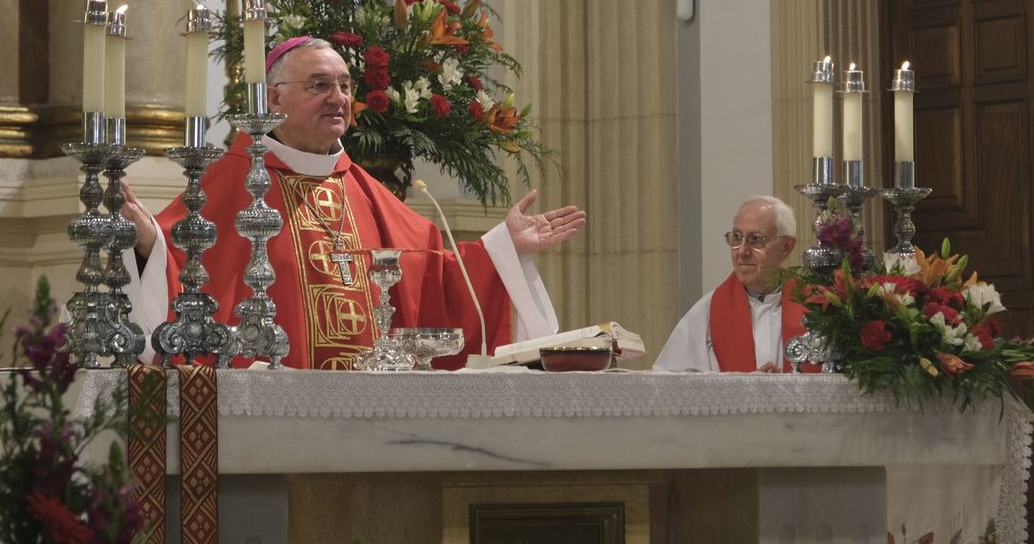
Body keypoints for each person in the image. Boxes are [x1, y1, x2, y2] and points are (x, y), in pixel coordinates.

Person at [121, 37, 587, 370]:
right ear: (274, 98)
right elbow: (181, 260)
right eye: (320, 85)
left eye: (345, 86)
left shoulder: (366, 191)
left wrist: (502, 248)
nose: (339, 98)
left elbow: (434, 276)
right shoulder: (232, 182)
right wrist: (149, 245)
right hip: (268, 413)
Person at [654, 195, 809, 372]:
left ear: (786, 247)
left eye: (756, 239)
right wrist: (744, 390)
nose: (742, 251)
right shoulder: (707, 312)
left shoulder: (816, 310)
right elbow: (668, 383)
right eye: (736, 237)